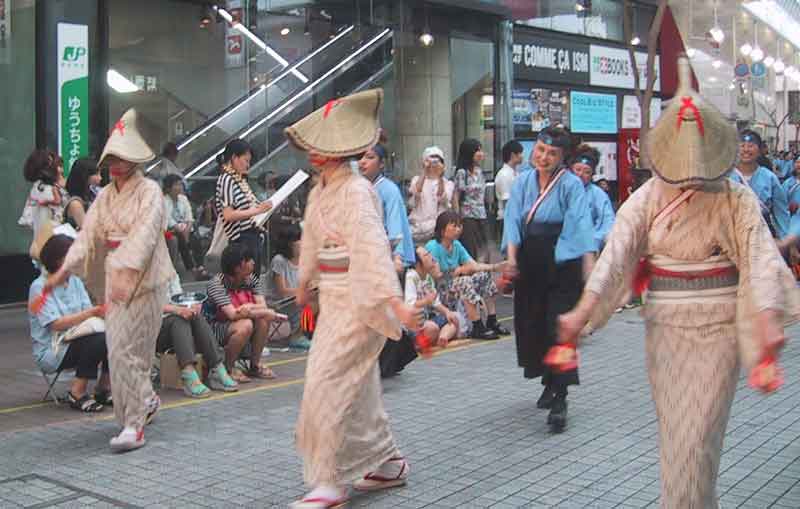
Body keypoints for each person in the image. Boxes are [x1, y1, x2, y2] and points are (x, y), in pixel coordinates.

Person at [557, 57, 799, 508]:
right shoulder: (647, 197)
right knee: (677, 438)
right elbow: (615, 256)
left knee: (699, 437)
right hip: (665, 329)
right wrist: (582, 310)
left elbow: (760, 258)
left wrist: (767, 319)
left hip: (719, 328)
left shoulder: (736, 197)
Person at [285, 89, 423, 508]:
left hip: (362, 298)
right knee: (355, 386)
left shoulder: (358, 191)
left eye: (321, 146)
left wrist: (392, 301)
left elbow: (371, 247)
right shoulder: (319, 191)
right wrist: (305, 283)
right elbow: (311, 242)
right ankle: (388, 462)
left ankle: (329, 479)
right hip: (335, 299)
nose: (313, 152)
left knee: (327, 383)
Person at [43, 109, 176, 452]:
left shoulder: (150, 193)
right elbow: (87, 236)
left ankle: (139, 411)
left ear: (134, 160)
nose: (115, 166)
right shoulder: (103, 196)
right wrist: (63, 270)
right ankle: (134, 419)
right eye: (111, 159)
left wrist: (127, 271)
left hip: (146, 281)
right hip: (116, 277)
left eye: (122, 159)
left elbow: (146, 237)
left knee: (136, 353)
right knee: (120, 351)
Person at [501, 125, 594, 433]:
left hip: (561, 263)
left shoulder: (571, 185)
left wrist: (589, 276)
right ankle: (549, 381)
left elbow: (580, 228)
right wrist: (512, 260)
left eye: (552, 153)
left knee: (560, 330)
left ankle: (561, 397)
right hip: (530, 263)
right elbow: (513, 220)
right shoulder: (523, 182)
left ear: (563, 158)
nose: (543, 156)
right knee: (534, 327)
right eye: (540, 150)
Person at [29, 234, 111, 413]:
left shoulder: (74, 281)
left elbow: (88, 314)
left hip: (77, 337)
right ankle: (77, 392)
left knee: (113, 333)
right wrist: (90, 313)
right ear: (56, 260)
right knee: (98, 340)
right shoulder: (39, 287)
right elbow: (55, 324)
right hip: (52, 349)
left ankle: (103, 388)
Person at [204, 243, 284, 383]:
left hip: (240, 320)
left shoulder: (251, 279)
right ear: (238, 266)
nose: (253, 262)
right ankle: (228, 368)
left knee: (263, 319)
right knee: (245, 324)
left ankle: (254, 365)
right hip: (215, 328)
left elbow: (262, 306)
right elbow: (232, 314)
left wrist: (250, 307)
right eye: (249, 260)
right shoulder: (216, 284)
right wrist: (259, 310)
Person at [425, 210, 509, 340]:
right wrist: (458, 271)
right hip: (438, 291)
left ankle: (492, 320)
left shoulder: (456, 245)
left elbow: (473, 265)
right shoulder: (433, 247)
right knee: (464, 281)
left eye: (459, 225)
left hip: (453, 286)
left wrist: (495, 267)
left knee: (482, 275)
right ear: (442, 229)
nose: (458, 229)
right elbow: (435, 276)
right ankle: (477, 325)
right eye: (454, 226)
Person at [158, 275, 238, 398]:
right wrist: (177, 310)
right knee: (178, 320)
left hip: (177, 325)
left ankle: (217, 367)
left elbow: (179, 299)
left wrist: (191, 306)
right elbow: (146, 306)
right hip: (152, 330)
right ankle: (188, 373)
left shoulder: (170, 273)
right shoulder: (142, 274)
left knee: (195, 316)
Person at [215, 139, 272, 276]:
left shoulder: (238, 179)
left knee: (252, 281)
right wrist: (257, 210)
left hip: (250, 236)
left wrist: (261, 208)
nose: (248, 165)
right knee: (247, 281)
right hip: (242, 239)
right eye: (246, 160)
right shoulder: (227, 179)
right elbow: (228, 215)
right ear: (234, 158)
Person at [358, 143, 415, 271]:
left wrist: (397, 256)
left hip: (386, 254)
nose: (362, 162)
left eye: (369, 157)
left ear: (382, 163)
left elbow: (395, 223)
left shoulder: (389, 190)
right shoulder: (358, 187)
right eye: (360, 157)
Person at [729, 130, 790, 239]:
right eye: (742, 146)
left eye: (751, 146)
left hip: (762, 237)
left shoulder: (770, 178)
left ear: (759, 150)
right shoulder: (726, 178)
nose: (746, 149)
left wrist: (786, 241)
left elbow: (781, 214)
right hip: (732, 237)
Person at [405, 246, 462, 348]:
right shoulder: (411, 277)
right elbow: (410, 305)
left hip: (427, 320)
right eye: (426, 255)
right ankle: (418, 343)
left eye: (429, 253)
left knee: (454, 318)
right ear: (418, 264)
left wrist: (447, 312)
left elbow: (436, 303)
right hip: (413, 324)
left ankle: (442, 338)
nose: (431, 256)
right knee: (432, 328)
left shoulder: (427, 277)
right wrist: (426, 301)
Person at [270, 224, 311, 351]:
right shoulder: (279, 260)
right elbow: (282, 291)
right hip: (279, 302)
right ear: (289, 243)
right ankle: (297, 336)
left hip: (295, 300)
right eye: (299, 239)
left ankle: (306, 334)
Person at [570, 144, 615, 252]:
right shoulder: (560, 190)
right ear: (571, 170)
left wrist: (594, 241)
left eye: (586, 172)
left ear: (592, 175)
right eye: (578, 169)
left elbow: (608, 222)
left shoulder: (598, 194)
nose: (580, 174)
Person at [163, 174, 208, 279]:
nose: (180, 187)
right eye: (176, 185)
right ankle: (192, 269)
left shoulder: (183, 199)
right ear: (169, 187)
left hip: (185, 229)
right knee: (180, 238)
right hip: (168, 231)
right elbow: (168, 219)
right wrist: (179, 229)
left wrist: (187, 229)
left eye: (180, 184)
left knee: (195, 239)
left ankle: (200, 267)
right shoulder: (164, 200)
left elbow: (189, 217)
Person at [407, 146, 454, 244]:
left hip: (437, 230)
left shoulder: (447, 183)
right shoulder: (417, 179)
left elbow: (443, 198)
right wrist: (424, 170)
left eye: (438, 160)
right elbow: (416, 193)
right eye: (431, 159)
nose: (434, 163)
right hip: (418, 229)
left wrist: (440, 175)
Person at [453, 139, 490, 262]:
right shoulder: (462, 173)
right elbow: (456, 196)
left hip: (482, 214)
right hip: (467, 216)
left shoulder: (479, 171)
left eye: (481, 150)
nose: (481, 153)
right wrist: (457, 219)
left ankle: (484, 275)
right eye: (477, 150)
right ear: (469, 153)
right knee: (471, 250)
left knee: (485, 249)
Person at [21, 149, 66, 238]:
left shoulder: (40, 188)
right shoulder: (45, 190)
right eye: (57, 166)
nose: (61, 170)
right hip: (51, 242)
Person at [495, 140, 524, 239]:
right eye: (520, 153)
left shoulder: (515, 173)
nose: (522, 156)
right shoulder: (504, 174)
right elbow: (507, 201)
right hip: (507, 219)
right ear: (513, 155)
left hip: (515, 218)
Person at [64, 158, 101, 230]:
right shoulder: (75, 203)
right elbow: (86, 229)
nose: (100, 178)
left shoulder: (92, 193)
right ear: (84, 175)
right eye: (96, 174)